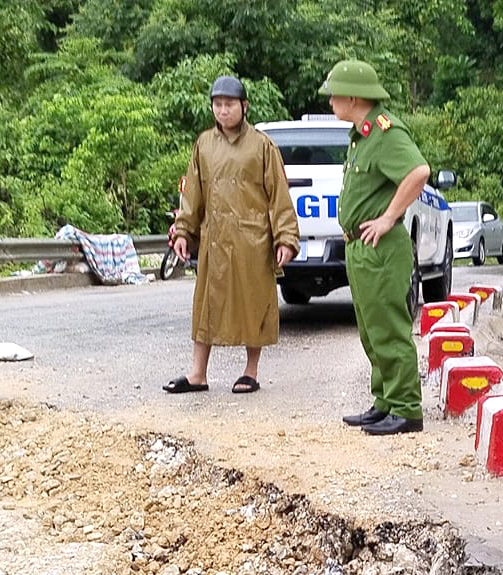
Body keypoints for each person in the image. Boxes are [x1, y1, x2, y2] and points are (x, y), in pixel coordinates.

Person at [165, 75, 299, 395]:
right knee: (205, 306)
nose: (223, 111)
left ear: (244, 106)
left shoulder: (262, 146)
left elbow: (278, 195)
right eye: (218, 104)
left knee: (253, 304)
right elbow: (193, 194)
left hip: (252, 239)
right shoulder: (204, 144)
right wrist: (183, 230)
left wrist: (286, 238)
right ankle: (198, 374)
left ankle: (250, 371)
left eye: (229, 104)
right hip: (215, 237)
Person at [322, 61, 431, 435]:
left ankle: (406, 409)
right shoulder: (362, 136)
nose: (331, 100)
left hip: (382, 247)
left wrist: (387, 217)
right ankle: (385, 401)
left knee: (389, 328)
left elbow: (418, 172)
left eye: (335, 94)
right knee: (371, 330)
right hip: (360, 247)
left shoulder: (385, 132)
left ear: (354, 97)